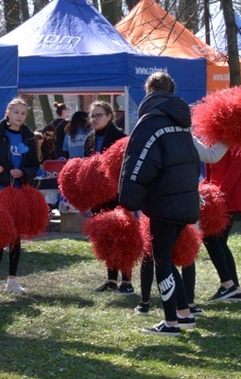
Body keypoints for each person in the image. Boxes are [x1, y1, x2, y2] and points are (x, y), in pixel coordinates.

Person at [119, 72, 202, 336]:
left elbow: (138, 164)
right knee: (165, 257)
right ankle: (184, 314)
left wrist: (129, 200)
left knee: (162, 260)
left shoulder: (150, 122)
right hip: (185, 200)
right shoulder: (181, 121)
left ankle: (171, 323)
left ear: (149, 91)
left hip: (164, 203)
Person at [135, 136, 228, 317]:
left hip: (165, 204)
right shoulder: (183, 135)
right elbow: (212, 155)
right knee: (173, 254)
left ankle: (172, 311)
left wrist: (231, 132)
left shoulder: (154, 133)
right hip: (184, 203)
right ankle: (181, 307)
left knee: (164, 255)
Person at [0, 98, 40, 294]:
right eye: (16, 112)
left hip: (19, 192)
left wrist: (24, 172)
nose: (19, 116)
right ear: (8, 112)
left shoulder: (29, 137)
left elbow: (35, 165)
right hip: (0, 190)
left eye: (23, 113)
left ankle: (12, 280)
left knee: (16, 236)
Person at [85, 101, 131, 295]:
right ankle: (111, 280)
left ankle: (127, 282)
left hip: (116, 194)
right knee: (104, 237)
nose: (94, 119)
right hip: (98, 196)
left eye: (99, 115)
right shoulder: (89, 140)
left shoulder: (121, 138)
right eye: (92, 116)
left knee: (121, 236)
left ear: (109, 116)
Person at [203, 148, 241, 302]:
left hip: (228, 198)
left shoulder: (236, 135)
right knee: (219, 241)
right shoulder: (217, 135)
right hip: (220, 195)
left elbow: (238, 164)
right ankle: (234, 288)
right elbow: (212, 166)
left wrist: (222, 191)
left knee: (211, 238)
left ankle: (228, 285)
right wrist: (205, 188)